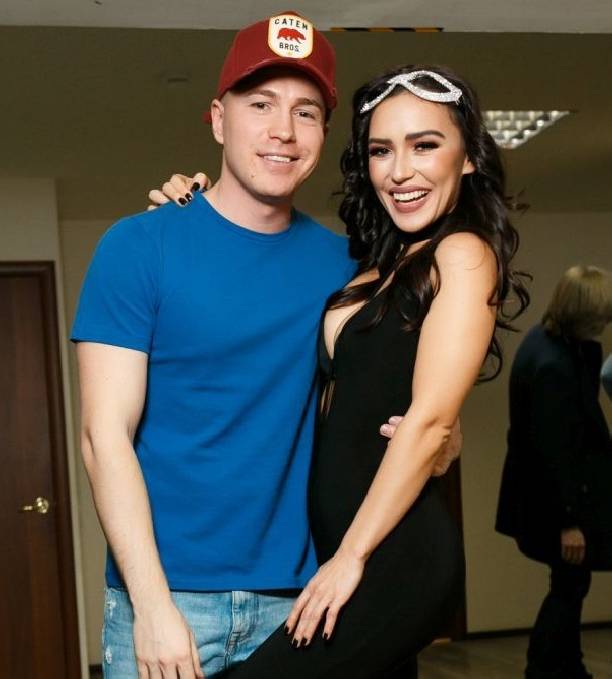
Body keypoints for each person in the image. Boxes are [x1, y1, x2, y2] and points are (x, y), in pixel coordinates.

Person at [72, 13, 460, 679]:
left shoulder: (351, 272)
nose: (283, 130)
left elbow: (409, 398)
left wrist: (442, 441)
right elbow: (102, 437)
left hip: (301, 601)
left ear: (323, 136)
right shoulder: (138, 247)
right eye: (260, 105)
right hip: (170, 600)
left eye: (306, 112)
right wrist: (152, 605)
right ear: (218, 120)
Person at [154, 62, 529, 677]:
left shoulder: (462, 254)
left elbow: (431, 422)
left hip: (388, 556)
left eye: (425, 145)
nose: (400, 170)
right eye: (381, 150)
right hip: (338, 548)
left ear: (467, 157)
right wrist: (194, 206)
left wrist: (350, 557)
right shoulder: (373, 263)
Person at [496, 265, 612, 679]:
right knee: (569, 587)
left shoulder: (547, 344)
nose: (604, 324)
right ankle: (545, 669)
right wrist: (569, 522)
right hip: (554, 503)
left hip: (551, 496)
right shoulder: (552, 366)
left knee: (570, 584)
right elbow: (553, 452)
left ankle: (567, 668)